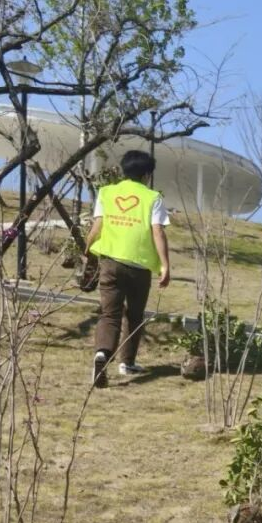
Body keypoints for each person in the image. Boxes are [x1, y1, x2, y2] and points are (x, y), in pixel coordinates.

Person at [84, 149, 170, 387]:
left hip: (111, 261)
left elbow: (97, 225)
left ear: (123, 170)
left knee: (109, 314)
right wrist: (165, 265)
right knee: (134, 315)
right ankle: (127, 362)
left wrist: (87, 249)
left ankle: (102, 353)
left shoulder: (107, 192)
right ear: (146, 174)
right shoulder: (152, 198)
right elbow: (158, 231)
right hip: (139, 266)